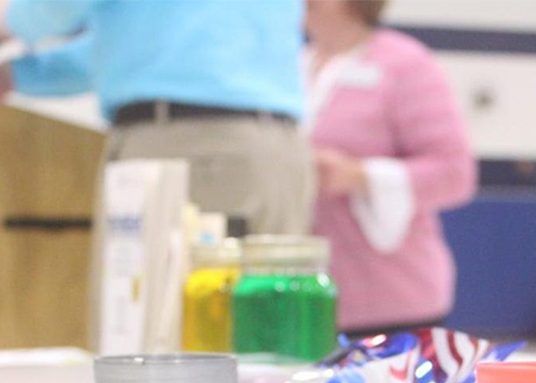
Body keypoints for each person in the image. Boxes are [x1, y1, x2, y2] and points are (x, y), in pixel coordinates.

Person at [1, 0, 312, 235]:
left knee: (160, 313)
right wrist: (18, 75)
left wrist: (10, 22)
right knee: (267, 315)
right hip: (276, 152)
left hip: (189, 144)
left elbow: (55, 8)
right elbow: (144, 47)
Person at [305, 0, 476, 337]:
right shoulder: (289, 66)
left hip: (391, 300)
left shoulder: (405, 64)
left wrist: (358, 176)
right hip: (304, 301)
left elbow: (455, 174)